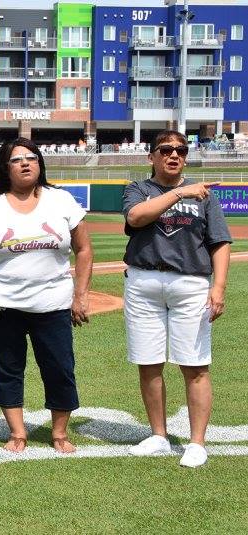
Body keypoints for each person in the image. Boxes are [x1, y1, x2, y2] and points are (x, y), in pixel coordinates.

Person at [0, 137, 93, 454]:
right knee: (8, 369)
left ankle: (60, 434)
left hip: (53, 304)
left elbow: (84, 249)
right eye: (17, 159)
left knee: (60, 369)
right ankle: (17, 433)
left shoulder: (61, 200)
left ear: (40, 163)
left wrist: (80, 295)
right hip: (3, 306)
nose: (26, 163)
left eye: (32, 157)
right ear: (5, 168)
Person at [122, 130, 231, 468]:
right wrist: (182, 192)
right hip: (144, 281)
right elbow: (136, 217)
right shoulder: (138, 188)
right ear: (151, 156)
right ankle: (158, 435)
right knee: (148, 362)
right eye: (166, 150)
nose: (174, 155)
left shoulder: (206, 197)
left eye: (181, 150)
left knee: (195, 365)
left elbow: (220, 242)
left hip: (190, 283)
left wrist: (219, 288)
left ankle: (197, 442)